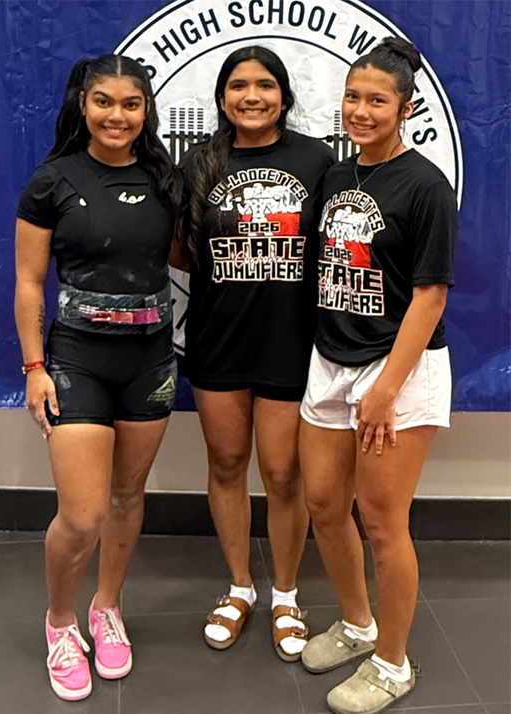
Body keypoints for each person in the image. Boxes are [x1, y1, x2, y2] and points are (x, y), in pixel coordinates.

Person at [15, 55, 183, 700]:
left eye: (131, 104)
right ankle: (61, 621)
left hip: (150, 362)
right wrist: (35, 367)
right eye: (104, 102)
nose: (118, 115)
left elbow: (186, 255)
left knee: (127, 498)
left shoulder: (164, 179)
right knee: (82, 515)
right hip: (76, 361)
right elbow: (29, 283)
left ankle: (106, 607)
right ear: (83, 105)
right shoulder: (51, 180)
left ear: (147, 112)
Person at [298, 39, 457, 714]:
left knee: (384, 522)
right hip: (329, 361)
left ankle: (394, 664)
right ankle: (359, 624)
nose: (361, 111)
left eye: (377, 101)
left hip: (400, 369)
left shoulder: (424, 185)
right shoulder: (339, 177)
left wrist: (387, 388)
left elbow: (431, 296)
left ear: (406, 107)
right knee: (325, 507)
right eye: (353, 97)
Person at [176, 46, 336, 662]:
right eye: (238, 85)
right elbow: (181, 251)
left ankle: (287, 594)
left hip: (290, 344)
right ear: (222, 98)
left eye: (265, 85)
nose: (252, 96)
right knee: (226, 464)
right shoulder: (199, 163)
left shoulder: (316, 160)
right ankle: (241, 586)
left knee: (285, 473)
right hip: (217, 340)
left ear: (285, 97)